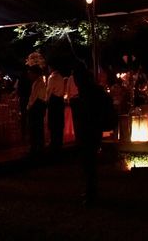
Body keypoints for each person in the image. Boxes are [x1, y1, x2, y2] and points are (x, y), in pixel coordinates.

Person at [73, 64, 105, 206]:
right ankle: (91, 191)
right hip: (94, 131)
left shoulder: (85, 93)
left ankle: (90, 193)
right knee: (90, 163)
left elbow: (84, 113)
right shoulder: (96, 91)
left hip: (87, 131)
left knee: (88, 164)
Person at [26, 65, 47, 155]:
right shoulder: (40, 82)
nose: (29, 75)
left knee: (34, 128)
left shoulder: (37, 83)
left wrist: (28, 106)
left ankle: (35, 147)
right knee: (39, 127)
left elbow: (33, 97)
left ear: (35, 74)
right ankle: (39, 146)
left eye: (30, 73)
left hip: (36, 107)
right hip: (40, 106)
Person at [46, 63, 66, 153]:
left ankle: (54, 141)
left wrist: (46, 100)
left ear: (51, 68)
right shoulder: (61, 77)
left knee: (53, 122)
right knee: (59, 122)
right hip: (60, 101)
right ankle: (59, 141)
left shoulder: (52, 78)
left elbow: (49, 91)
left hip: (54, 101)